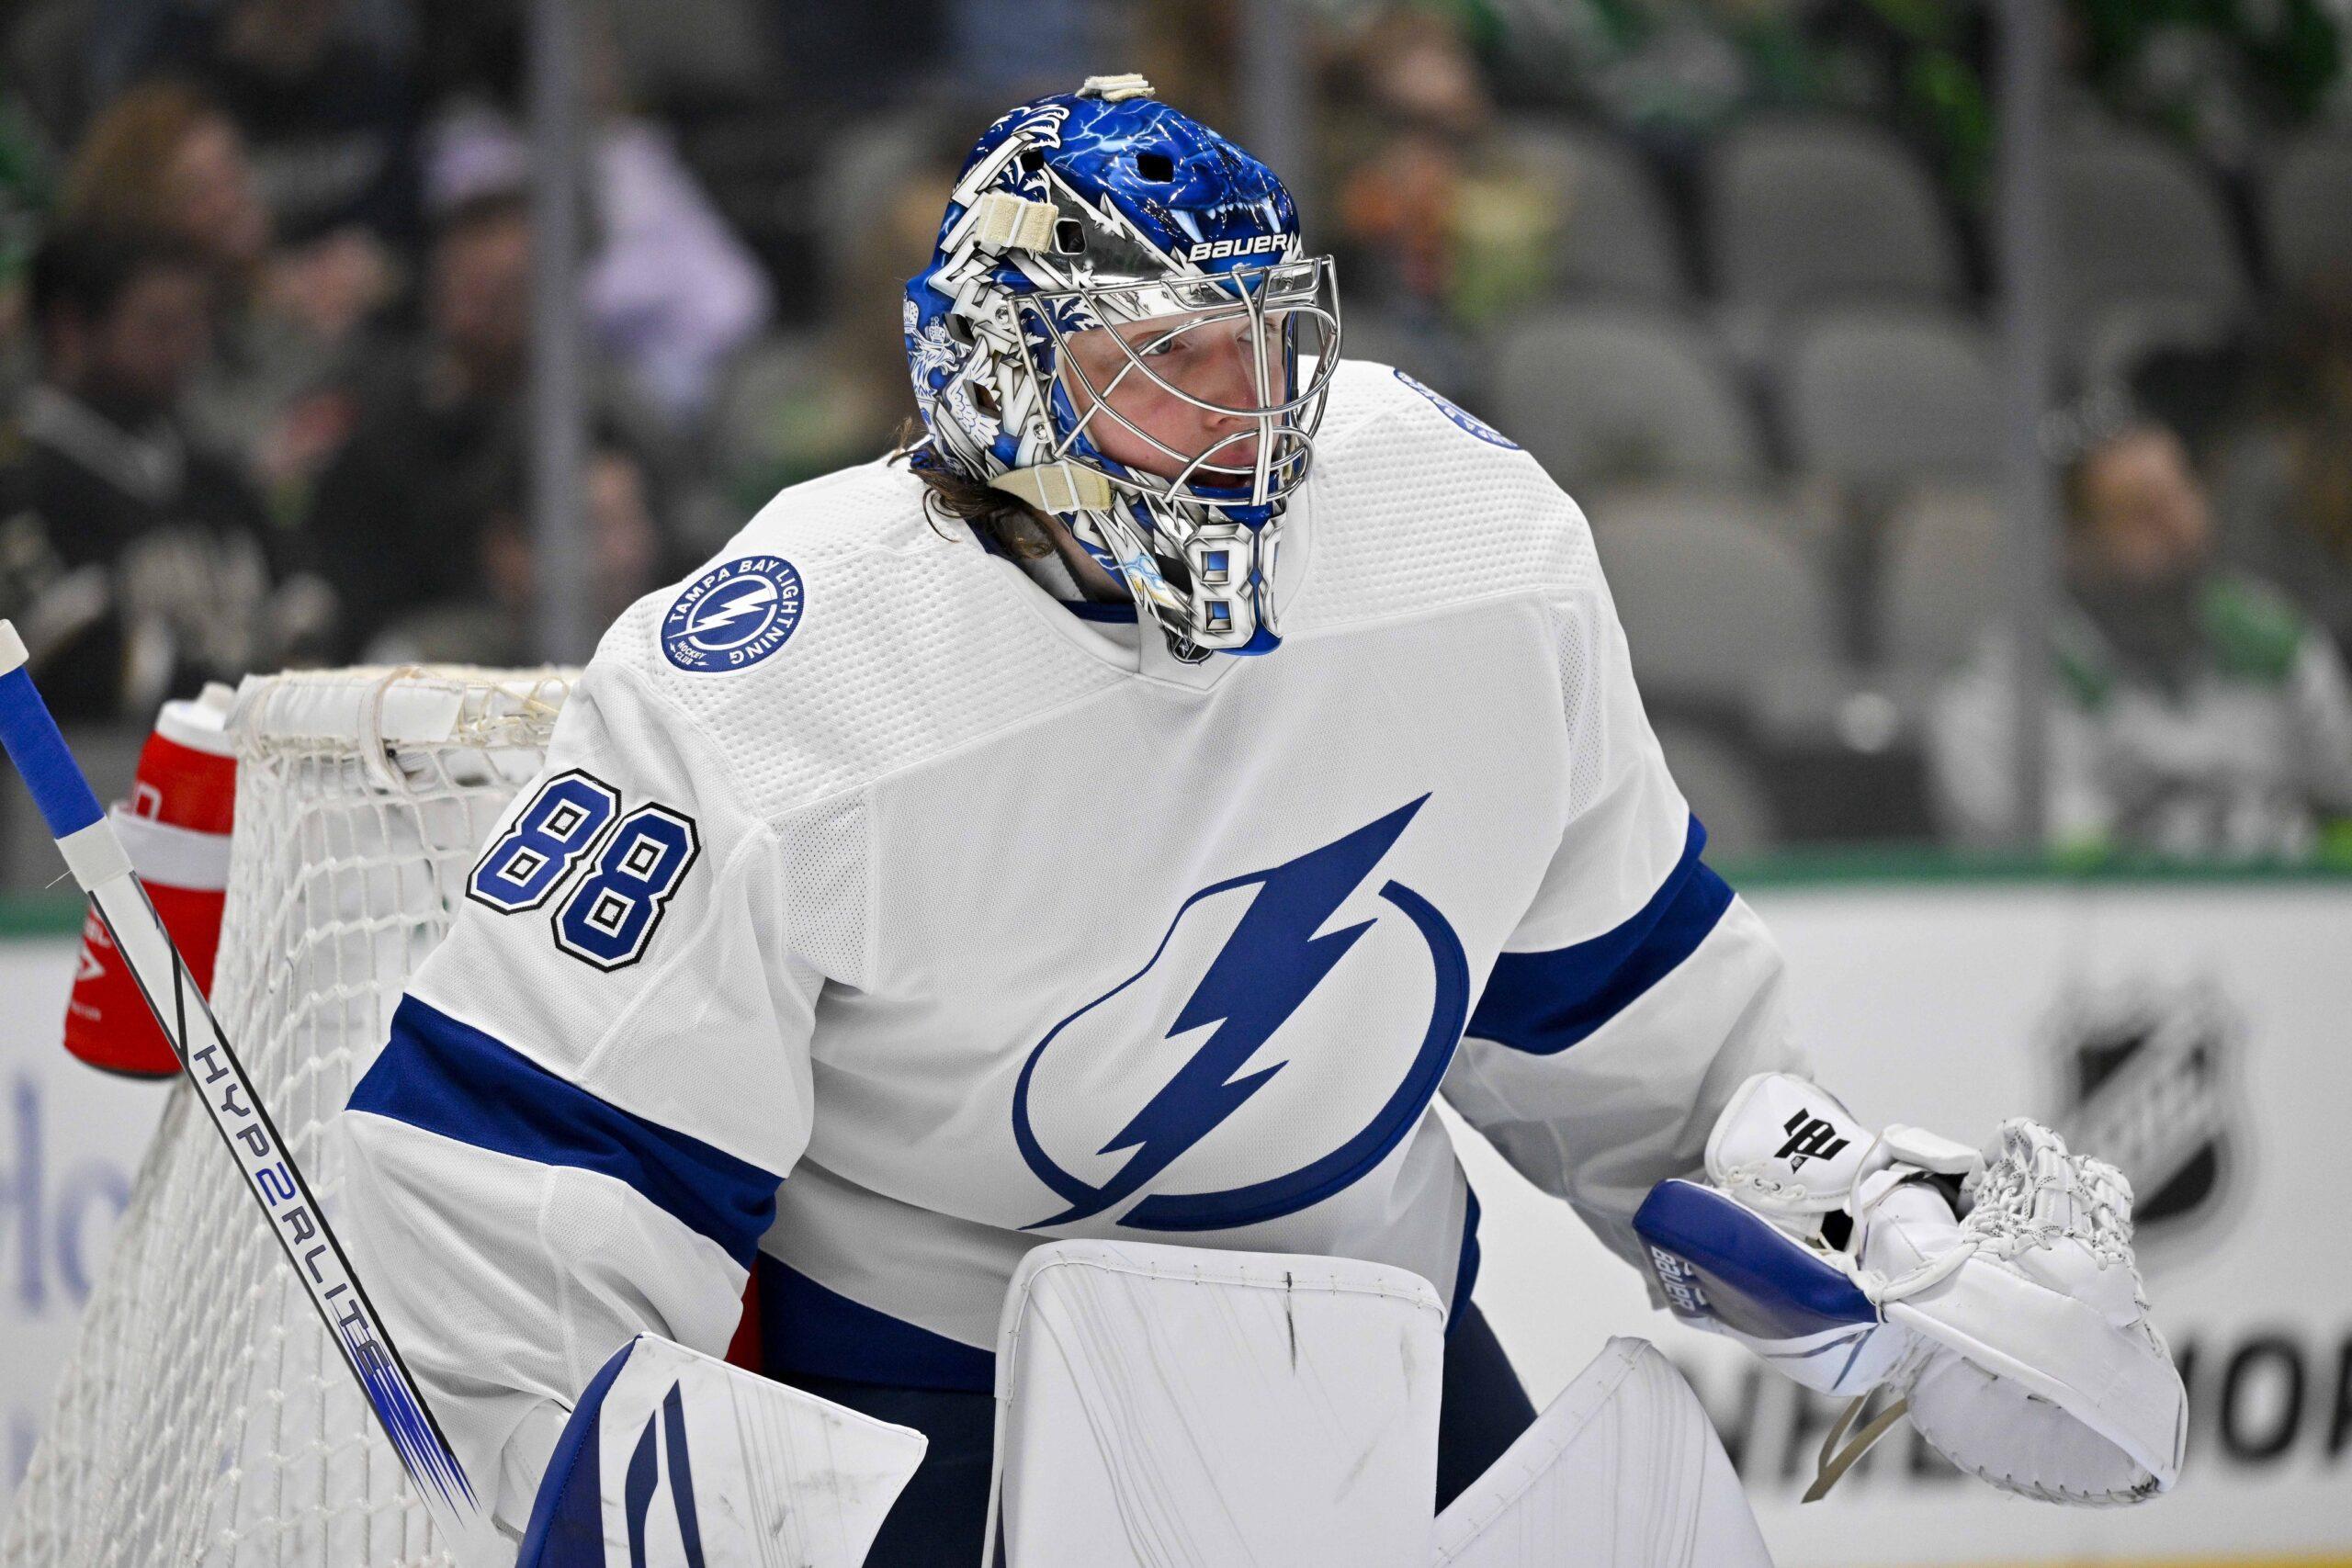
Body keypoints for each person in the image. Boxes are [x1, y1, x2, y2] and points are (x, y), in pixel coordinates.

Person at [334, 80, 2172, 1561]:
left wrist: (1827, 1212)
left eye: (1263, 350)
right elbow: (531, 1161)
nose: (1244, 422)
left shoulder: (1463, 541)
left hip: (1363, 1330)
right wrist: (590, 1463)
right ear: (1002, 381)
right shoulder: (783, 670)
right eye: (1165, 365)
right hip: (932, 1386)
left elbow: (1602, 989)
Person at [1931, 407, 2352, 859]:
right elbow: (2042, 881)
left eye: (2182, 495)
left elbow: (2342, 812)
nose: (2179, 529)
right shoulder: (1999, 692)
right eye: (2142, 512)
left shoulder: (2277, 644)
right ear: (2074, 541)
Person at [0, 223, 324, 720]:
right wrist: (256, 697)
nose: (187, 349)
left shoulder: (211, 471)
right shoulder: (24, 483)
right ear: (70, 329)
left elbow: (304, 603)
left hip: (250, 767)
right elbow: (73, 668)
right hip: (93, 780)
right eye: (160, 326)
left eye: (195, 326)